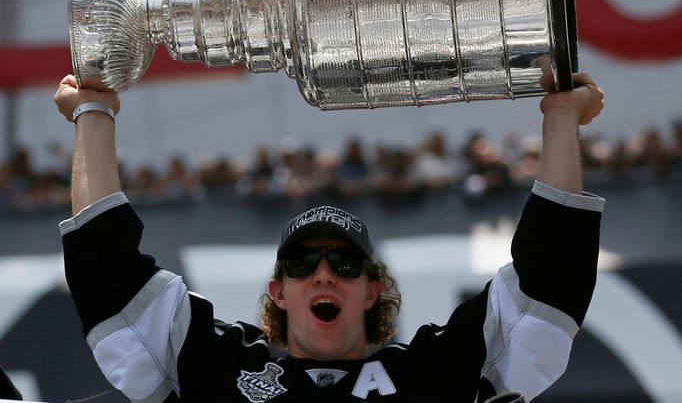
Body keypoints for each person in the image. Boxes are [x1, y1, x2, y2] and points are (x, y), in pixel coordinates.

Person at [54, 70, 605, 403]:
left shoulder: (433, 375)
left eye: (344, 264)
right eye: (302, 264)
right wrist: (93, 112)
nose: (322, 272)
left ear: (372, 290)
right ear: (278, 292)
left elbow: (545, 284)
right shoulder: (221, 368)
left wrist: (560, 118)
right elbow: (110, 277)